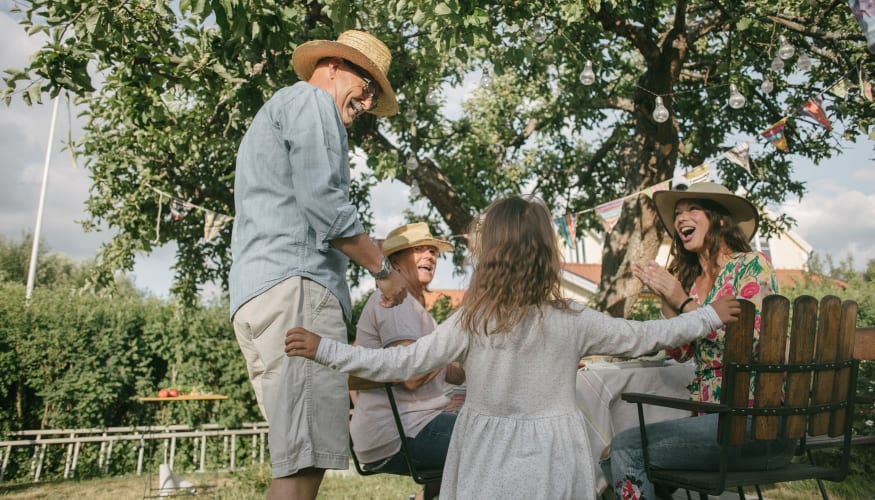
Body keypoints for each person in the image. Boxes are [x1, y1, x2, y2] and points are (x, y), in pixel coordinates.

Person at [283, 195, 742, 499]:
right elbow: (647, 336)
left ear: (491, 254)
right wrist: (706, 315)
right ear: (547, 253)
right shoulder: (574, 320)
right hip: (556, 449)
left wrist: (326, 349)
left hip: (486, 450)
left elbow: (400, 361)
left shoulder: (474, 317)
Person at [228, 30, 407, 500]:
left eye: (373, 94)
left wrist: (373, 247)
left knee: (296, 457)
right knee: (303, 465)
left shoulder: (279, 109)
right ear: (333, 65)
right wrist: (383, 274)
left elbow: (299, 207)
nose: (367, 102)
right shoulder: (313, 103)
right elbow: (324, 203)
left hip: (261, 293)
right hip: (299, 291)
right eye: (366, 86)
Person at [604, 181, 795, 500]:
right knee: (615, 456)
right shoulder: (693, 283)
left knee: (626, 449)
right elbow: (680, 352)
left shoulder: (750, 265)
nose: (681, 218)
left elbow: (749, 342)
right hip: (715, 423)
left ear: (720, 219)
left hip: (755, 424)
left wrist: (682, 302)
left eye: (692, 209)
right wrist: (668, 299)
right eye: (677, 213)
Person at [351, 222, 465, 500]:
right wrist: (453, 339)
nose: (430, 256)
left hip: (412, 425)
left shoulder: (417, 310)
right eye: (418, 249)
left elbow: (454, 373)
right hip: (400, 432)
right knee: (496, 441)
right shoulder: (394, 303)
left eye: (433, 251)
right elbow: (411, 375)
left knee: (486, 427)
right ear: (395, 262)